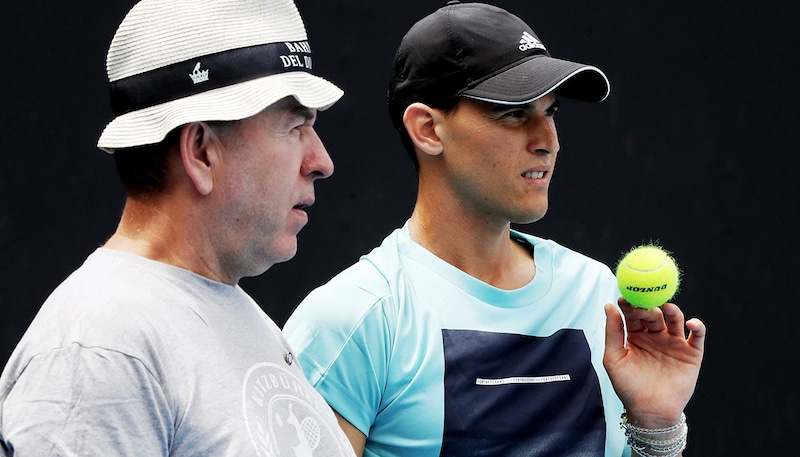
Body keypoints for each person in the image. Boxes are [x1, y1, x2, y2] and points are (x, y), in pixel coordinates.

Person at [283, 2, 706, 456]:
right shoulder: (353, 321)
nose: (549, 140)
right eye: (514, 112)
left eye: (552, 111)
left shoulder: (597, 294)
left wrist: (656, 429)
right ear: (427, 129)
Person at [0, 0, 356, 456]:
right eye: (294, 127)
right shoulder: (103, 347)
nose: (321, 162)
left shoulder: (224, 314)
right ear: (201, 152)